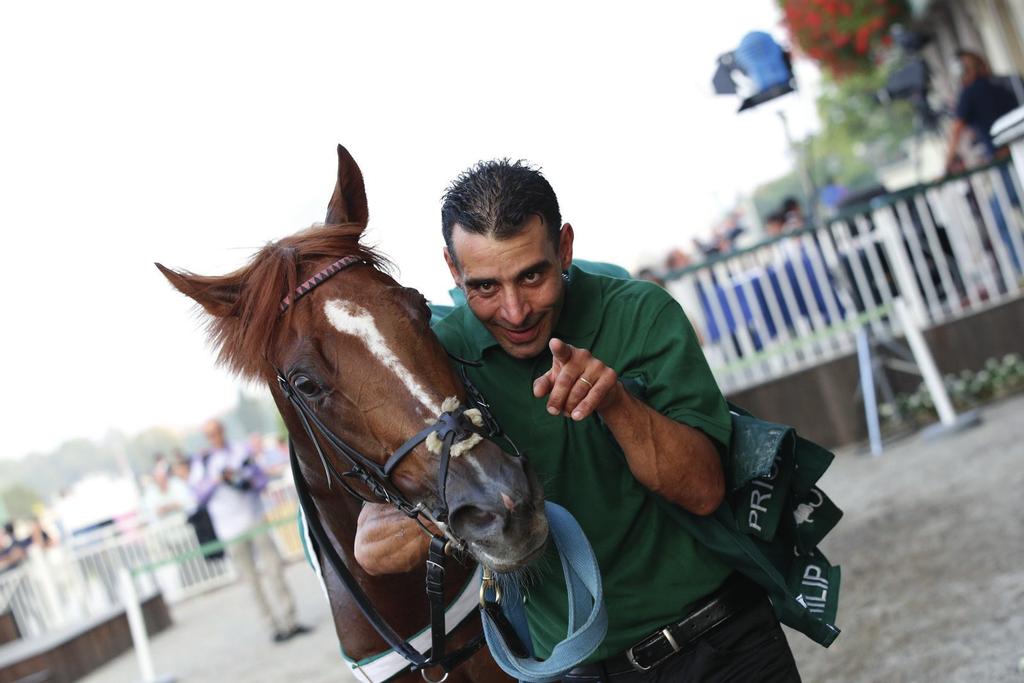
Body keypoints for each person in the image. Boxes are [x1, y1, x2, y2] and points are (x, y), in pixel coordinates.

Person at [354, 160, 804, 681]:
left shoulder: (640, 313)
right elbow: (373, 547)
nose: (515, 310)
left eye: (532, 275)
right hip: (575, 671)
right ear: (453, 272)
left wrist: (615, 403)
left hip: (720, 643)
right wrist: (437, 506)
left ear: (564, 247)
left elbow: (703, 490)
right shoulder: (441, 360)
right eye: (484, 287)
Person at [190, 419, 310, 643]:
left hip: (254, 519)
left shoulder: (239, 451)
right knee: (251, 580)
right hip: (228, 529)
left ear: (222, 431)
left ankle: (290, 620)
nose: (214, 436)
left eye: (216, 431)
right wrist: (218, 480)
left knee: (274, 569)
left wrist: (241, 477)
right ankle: (272, 626)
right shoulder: (203, 463)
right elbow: (197, 496)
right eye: (209, 433)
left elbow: (261, 481)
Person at [945, 50, 1018, 172]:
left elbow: (956, 129)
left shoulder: (969, 93)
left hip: (1005, 156)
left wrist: (947, 165)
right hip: (1015, 149)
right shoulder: (1004, 82)